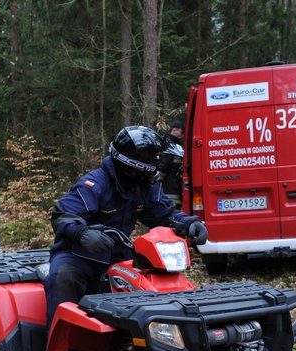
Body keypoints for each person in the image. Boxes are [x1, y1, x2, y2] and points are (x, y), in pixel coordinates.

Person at [45, 125, 208, 327]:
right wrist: (82, 233)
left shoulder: (144, 185)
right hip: (79, 256)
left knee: (149, 285)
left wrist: (189, 223)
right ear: (132, 167)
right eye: (149, 165)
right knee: (62, 279)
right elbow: (63, 215)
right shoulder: (95, 184)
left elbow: (162, 213)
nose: (153, 170)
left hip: (119, 254)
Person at [157, 120, 185, 207]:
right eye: (182, 132)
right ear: (174, 130)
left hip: (173, 185)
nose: (183, 135)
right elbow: (163, 168)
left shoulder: (174, 145)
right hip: (168, 188)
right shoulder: (168, 145)